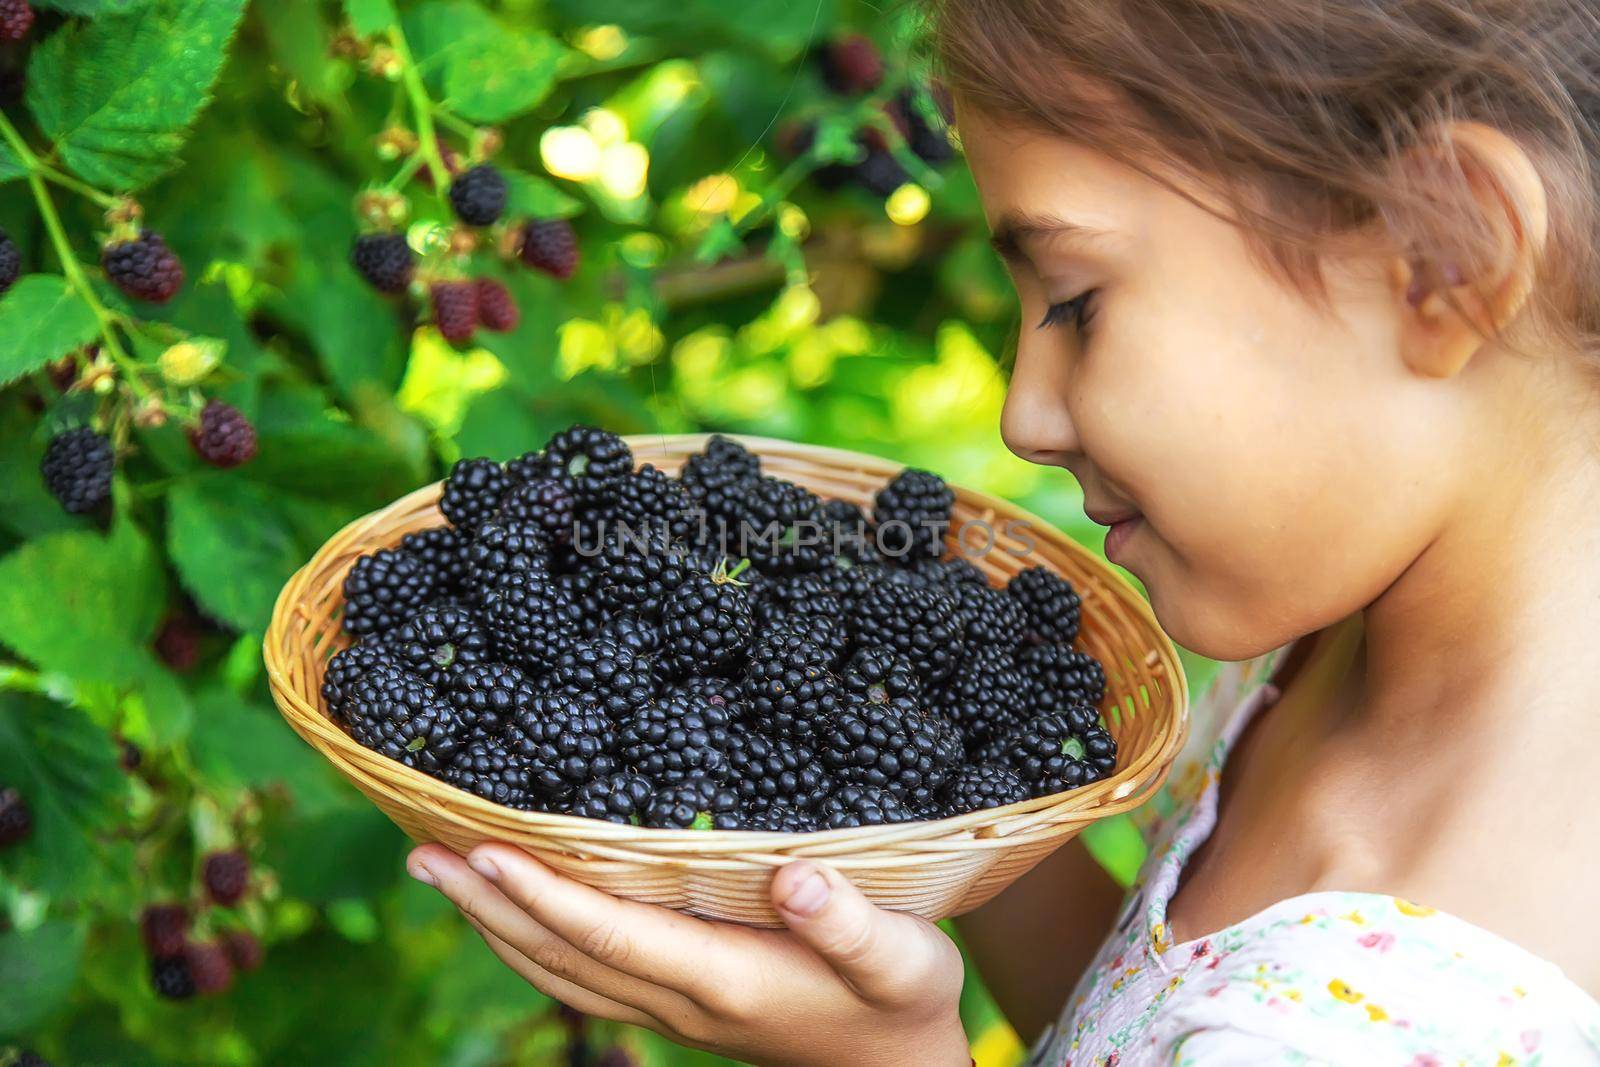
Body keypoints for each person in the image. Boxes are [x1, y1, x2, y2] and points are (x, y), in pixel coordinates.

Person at [403, 1, 1600, 1062]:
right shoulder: (1331, 644)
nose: (1022, 413)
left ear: (1442, 253)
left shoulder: (1393, 1026)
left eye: (1076, 300)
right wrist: (926, 786)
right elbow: (1121, 1008)